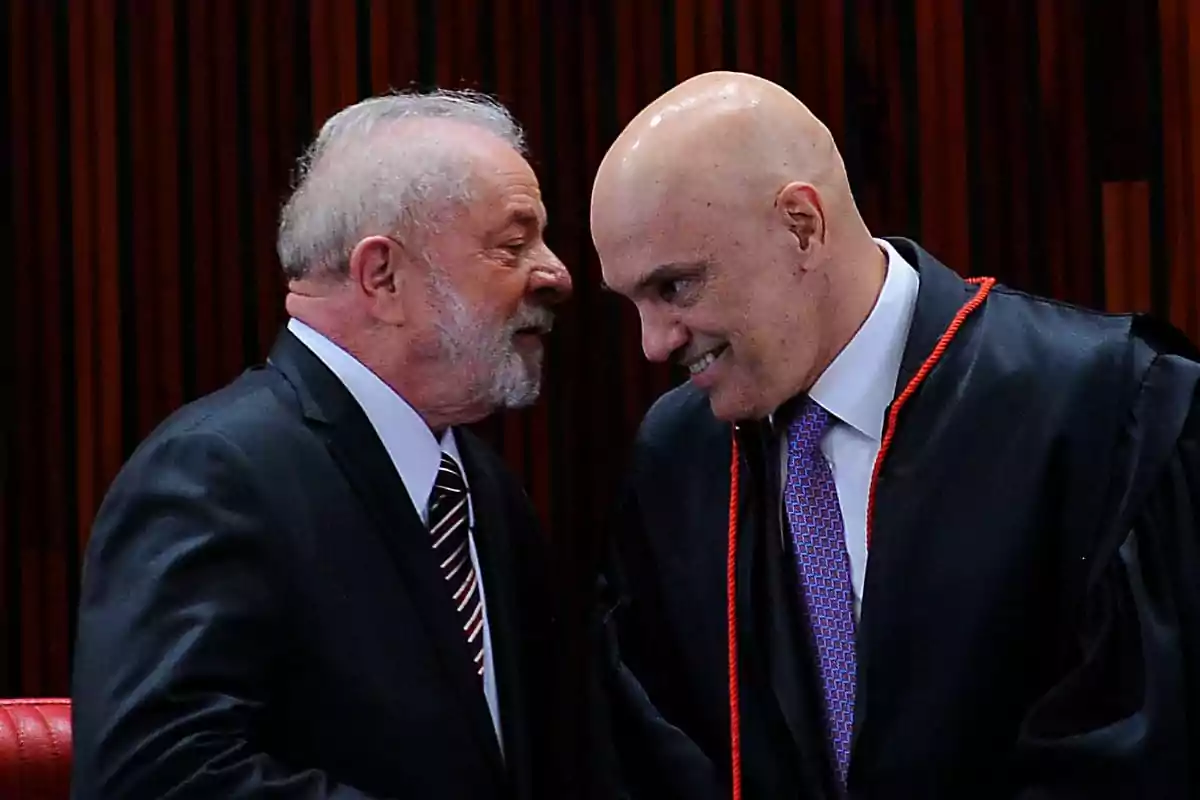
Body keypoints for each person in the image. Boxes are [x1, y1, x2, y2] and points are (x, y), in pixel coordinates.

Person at [588, 71, 1200, 799]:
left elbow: (1136, 744)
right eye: (633, 302)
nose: (654, 344)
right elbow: (657, 744)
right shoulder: (678, 458)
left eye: (675, 287)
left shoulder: (1104, 404)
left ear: (801, 227)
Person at [71, 89, 575, 799]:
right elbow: (155, 775)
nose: (556, 273)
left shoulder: (483, 489)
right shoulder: (213, 473)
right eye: (515, 244)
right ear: (383, 276)